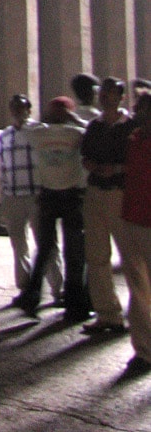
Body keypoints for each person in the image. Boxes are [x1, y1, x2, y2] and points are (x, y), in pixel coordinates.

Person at [14, 97, 90, 322]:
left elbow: (26, 127)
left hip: (60, 195)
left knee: (54, 249)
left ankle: (36, 297)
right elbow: (88, 130)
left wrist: (52, 118)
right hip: (60, 195)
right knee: (67, 250)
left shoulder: (45, 133)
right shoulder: (71, 133)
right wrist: (70, 117)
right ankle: (71, 304)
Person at [0, 94, 63, 303]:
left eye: (22, 108)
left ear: (29, 110)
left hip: (36, 195)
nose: (18, 112)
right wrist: (3, 194)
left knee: (46, 243)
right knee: (19, 245)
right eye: (14, 108)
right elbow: (2, 166)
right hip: (13, 195)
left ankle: (57, 289)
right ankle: (25, 288)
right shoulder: (4, 136)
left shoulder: (39, 131)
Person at [81, 76, 134, 334]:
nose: (104, 96)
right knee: (96, 255)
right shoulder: (94, 127)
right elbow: (86, 155)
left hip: (119, 193)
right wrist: (90, 165)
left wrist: (116, 169)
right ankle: (107, 313)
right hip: (95, 193)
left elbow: (137, 163)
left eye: (110, 92)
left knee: (131, 257)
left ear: (121, 97)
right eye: (102, 92)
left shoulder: (131, 127)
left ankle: (140, 316)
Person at [119, 92, 151, 375]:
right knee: (137, 289)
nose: (135, 112)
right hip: (133, 220)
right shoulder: (134, 140)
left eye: (141, 108)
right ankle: (144, 350)